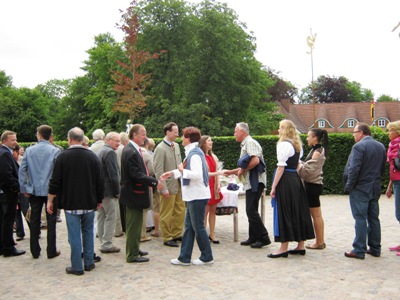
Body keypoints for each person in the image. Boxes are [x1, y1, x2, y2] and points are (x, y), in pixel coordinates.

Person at [47, 127, 104, 275]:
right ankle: (89, 262)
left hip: (71, 203)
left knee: (74, 235)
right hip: (89, 202)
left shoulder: (62, 156)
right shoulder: (92, 156)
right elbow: (100, 181)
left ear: (69, 139)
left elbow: (55, 181)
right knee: (88, 232)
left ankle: (77, 266)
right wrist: (99, 199)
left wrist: (50, 200)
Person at [161, 127, 214, 266]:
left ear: (188, 138)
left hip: (196, 195)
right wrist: (171, 174)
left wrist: (181, 171)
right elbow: (186, 170)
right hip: (194, 195)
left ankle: (207, 256)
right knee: (190, 227)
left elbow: (196, 174)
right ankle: (184, 257)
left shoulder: (194, 154)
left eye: (183, 136)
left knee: (197, 227)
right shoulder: (193, 153)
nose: (181, 139)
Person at [268, 120, 315, 258]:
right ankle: (300, 245)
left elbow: (281, 167)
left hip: (286, 181)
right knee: (298, 210)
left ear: (285, 129)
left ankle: (283, 248)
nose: (278, 130)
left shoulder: (283, 145)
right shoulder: (297, 145)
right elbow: (298, 164)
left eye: (280, 128)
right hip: (295, 180)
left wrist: (273, 187)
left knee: (285, 211)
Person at [343, 122, 386, 259]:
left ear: (361, 133)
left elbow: (353, 169)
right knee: (374, 218)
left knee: (360, 218)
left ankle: (359, 249)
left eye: (354, 133)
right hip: (375, 186)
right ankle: (375, 248)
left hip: (361, 187)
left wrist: (349, 186)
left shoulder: (358, 146)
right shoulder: (380, 146)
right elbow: (382, 168)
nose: (353, 136)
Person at [120, 124, 162, 263]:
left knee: (137, 224)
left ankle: (135, 248)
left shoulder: (133, 149)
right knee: (133, 225)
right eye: (143, 134)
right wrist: (154, 182)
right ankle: (132, 254)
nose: (145, 137)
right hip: (133, 194)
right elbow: (137, 175)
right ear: (135, 135)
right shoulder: (131, 151)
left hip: (135, 193)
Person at [224, 122, 271, 248]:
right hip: (251, 182)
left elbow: (255, 161)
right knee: (252, 209)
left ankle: (263, 237)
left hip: (255, 181)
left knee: (251, 210)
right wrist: (232, 172)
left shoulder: (250, 143)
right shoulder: (247, 144)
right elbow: (244, 166)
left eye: (235, 131)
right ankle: (253, 237)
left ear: (242, 132)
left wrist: (242, 170)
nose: (234, 134)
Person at [19, 125, 61, 259]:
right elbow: (57, 173)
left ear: (40, 135)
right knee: (51, 220)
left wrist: (24, 188)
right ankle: (51, 250)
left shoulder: (30, 150)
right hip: (51, 191)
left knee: (35, 220)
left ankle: (35, 250)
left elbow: (22, 170)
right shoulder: (55, 151)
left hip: (34, 190)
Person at [153, 122, 185, 247]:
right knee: (166, 212)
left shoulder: (176, 146)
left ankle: (177, 233)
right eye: (175, 132)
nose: (177, 134)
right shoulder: (160, 148)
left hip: (178, 184)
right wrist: (163, 188)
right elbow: (158, 170)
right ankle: (167, 236)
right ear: (168, 132)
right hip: (168, 186)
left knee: (180, 210)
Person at [298, 129, 329, 250]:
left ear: (315, 138)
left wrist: (298, 165)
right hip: (313, 186)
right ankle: (320, 241)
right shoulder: (315, 150)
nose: (307, 139)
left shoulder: (317, 151)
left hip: (312, 186)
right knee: (317, 215)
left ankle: (319, 242)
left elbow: (309, 171)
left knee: (316, 215)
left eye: (308, 136)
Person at [0, 131, 26, 257]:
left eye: (15, 139)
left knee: (4, 220)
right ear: (5, 140)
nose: (15, 142)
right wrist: (16, 188)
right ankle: (8, 247)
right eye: (12, 140)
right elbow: (6, 174)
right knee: (8, 220)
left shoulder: (4, 152)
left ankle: (3, 246)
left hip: (5, 192)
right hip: (8, 193)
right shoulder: (4, 153)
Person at [96, 132, 121, 253]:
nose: (119, 143)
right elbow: (113, 174)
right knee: (110, 217)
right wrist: (117, 191)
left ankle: (103, 241)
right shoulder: (110, 152)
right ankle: (107, 244)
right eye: (116, 141)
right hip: (109, 191)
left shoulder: (101, 151)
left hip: (100, 190)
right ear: (109, 140)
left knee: (101, 216)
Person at [199, 135, 224, 244]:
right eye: (209, 141)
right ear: (203, 143)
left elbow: (217, 171)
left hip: (213, 186)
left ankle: (212, 233)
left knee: (213, 211)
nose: (211, 142)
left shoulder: (213, 156)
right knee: (205, 211)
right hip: (206, 186)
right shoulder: (200, 157)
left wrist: (218, 183)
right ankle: (203, 234)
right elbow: (204, 174)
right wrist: (218, 174)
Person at [386, 120, 400, 256]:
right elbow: (394, 168)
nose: (388, 133)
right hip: (396, 182)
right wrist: (389, 186)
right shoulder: (393, 145)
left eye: (390, 130)